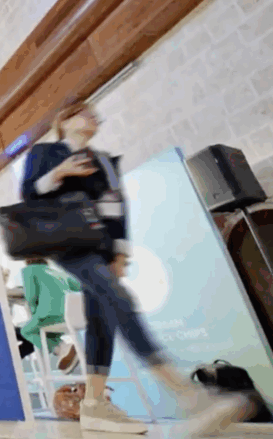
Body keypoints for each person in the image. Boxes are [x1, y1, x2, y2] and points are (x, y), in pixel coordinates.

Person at [20, 102, 248, 435]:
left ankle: (94, 403)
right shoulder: (46, 153)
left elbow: (117, 208)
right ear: (65, 119)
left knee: (102, 316)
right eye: (85, 113)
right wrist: (59, 173)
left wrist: (121, 252)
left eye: (96, 116)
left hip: (101, 246)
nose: (93, 119)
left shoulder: (103, 161)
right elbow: (28, 193)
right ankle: (187, 395)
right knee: (118, 298)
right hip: (66, 242)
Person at [20, 257, 79, 373]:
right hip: (68, 317)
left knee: (26, 331)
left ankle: (59, 349)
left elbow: (31, 297)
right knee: (49, 332)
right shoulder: (58, 272)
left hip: (48, 315)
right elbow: (78, 286)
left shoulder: (29, 270)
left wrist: (34, 313)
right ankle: (64, 348)